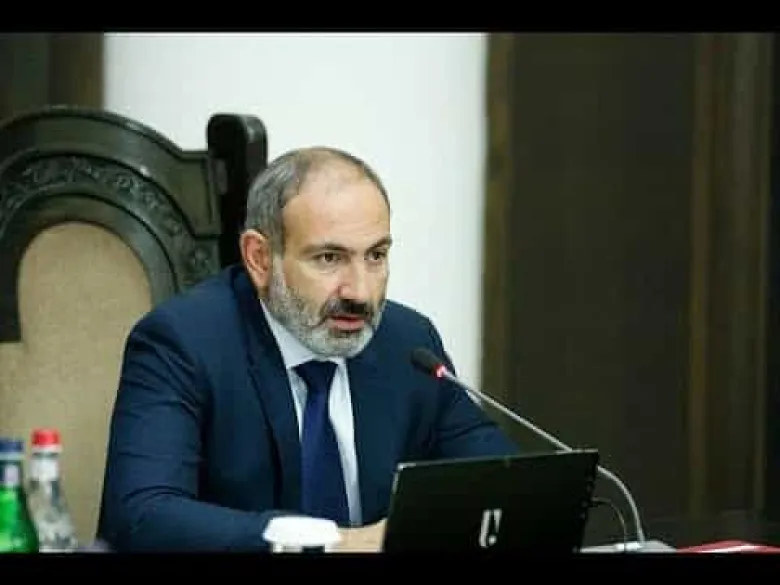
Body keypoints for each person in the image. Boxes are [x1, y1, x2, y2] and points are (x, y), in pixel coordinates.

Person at [96, 146, 518, 552]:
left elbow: (497, 481)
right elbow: (142, 516)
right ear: (260, 258)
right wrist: (336, 545)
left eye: (375, 256)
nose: (360, 292)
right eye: (329, 258)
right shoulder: (184, 343)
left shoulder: (407, 343)